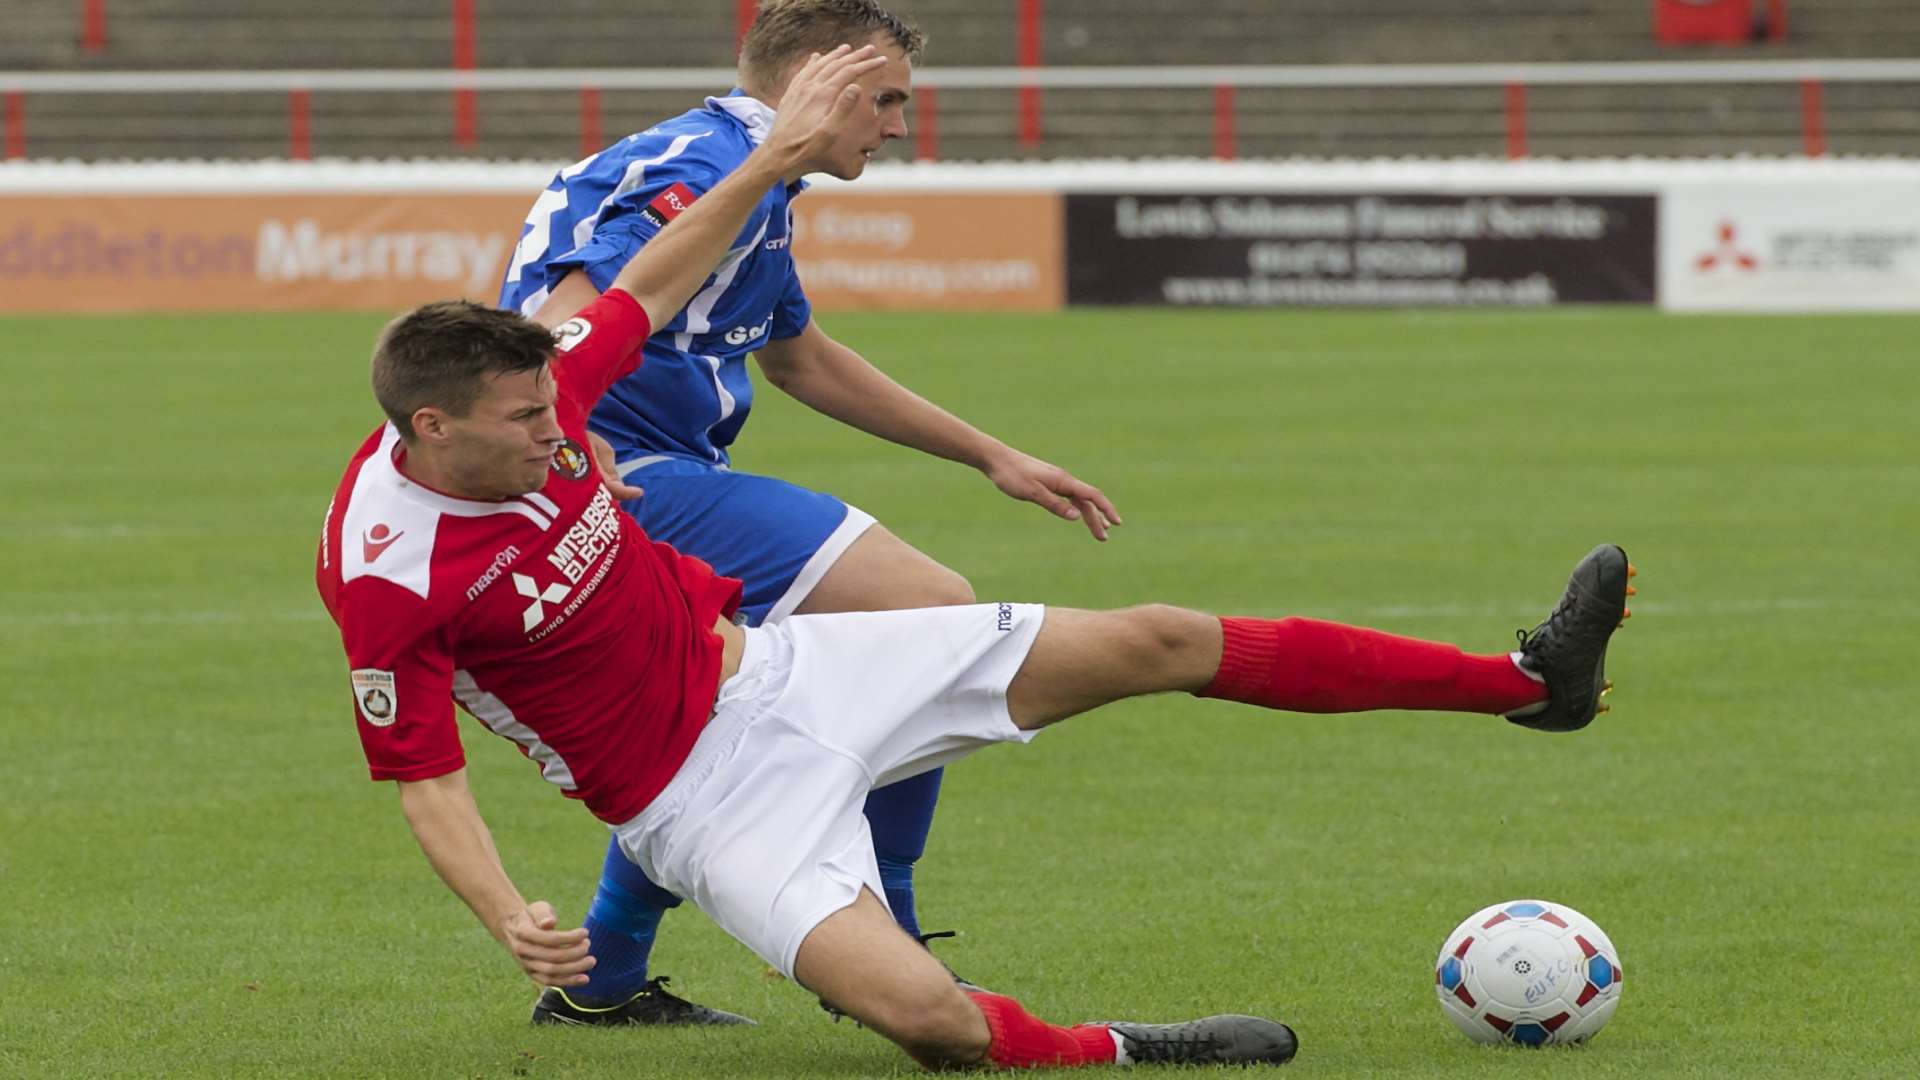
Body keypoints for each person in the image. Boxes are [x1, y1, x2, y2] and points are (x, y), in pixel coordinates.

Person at [319, 44, 1639, 1072]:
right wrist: (505, 912)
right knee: (932, 1027)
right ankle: (1120, 1045)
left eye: (562, 408)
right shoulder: (387, 570)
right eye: (528, 425)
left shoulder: (547, 396)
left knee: (1159, 635)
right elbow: (426, 782)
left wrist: (769, 161)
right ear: (430, 430)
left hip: (789, 674)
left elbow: (652, 283)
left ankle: (1527, 681)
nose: (565, 433)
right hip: (701, 806)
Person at [499, 0, 1119, 1025]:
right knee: (925, 616)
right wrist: (571, 433)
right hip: (628, 478)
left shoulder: (749, 178)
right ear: (812, 87)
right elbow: (566, 315)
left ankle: (601, 979)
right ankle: (893, 933)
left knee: (712, 727)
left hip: (637, 472)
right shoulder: (702, 167)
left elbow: (798, 356)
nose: (896, 124)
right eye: (883, 100)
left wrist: (990, 455)